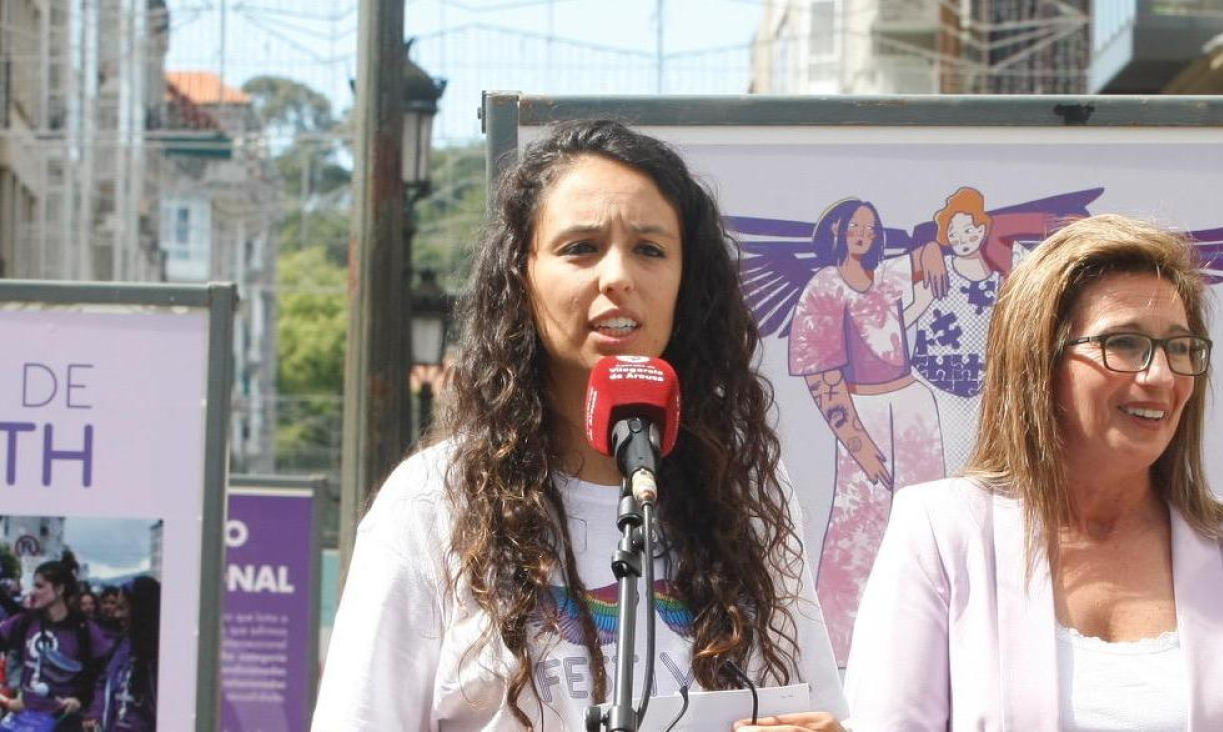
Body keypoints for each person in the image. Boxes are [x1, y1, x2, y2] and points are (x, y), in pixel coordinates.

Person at [313, 120, 847, 731]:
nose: (617, 276)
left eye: (650, 250)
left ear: (686, 282)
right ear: (523, 274)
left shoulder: (743, 492)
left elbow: (821, 711)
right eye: (581, 248)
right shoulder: (435, 500)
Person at [843, 214, 1223, 730]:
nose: (1161, 376)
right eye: (1124, 343)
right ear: (1039, 362)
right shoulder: (942, 530)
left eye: (1180, 347)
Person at [787, 197, 945, 657]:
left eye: (871, 228)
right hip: (864, 409)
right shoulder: (824, 286)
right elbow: (821, 374)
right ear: (836, 231)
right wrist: (859, 444)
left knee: (929, 516)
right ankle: (842, 646)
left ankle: (929, 639)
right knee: (858, 525)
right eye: (854, 226)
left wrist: (931, 250)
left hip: (912, 403)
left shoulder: (884, 277)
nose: (863, 234)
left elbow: (919, 262)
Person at [0, 561, 112, 732]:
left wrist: (82, 701)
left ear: (59, 589)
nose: (33, 592)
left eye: (39, 586)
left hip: (65, 723)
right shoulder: (26, 621)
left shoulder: (84, 629)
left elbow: (102, 675)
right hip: (24, 719)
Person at [84, 577, 159, 732]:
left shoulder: (161, 656)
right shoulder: (122, 646)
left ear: (140, 610)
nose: (117, 615)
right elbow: (104, 683)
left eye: (123, 608)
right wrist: (96, 714)